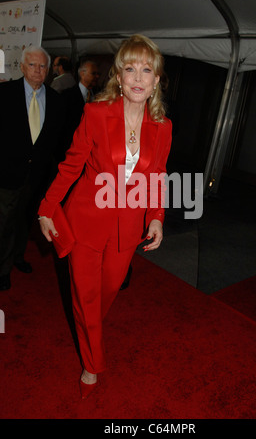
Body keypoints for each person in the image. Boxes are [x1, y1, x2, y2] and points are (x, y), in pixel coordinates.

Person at [38, 34, 172, 399]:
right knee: (86, 298)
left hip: (126, 230)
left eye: (147, 70)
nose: (139, 78)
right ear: (119, 75)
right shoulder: (96, 114)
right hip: (85, 221)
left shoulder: (163, 128)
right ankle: (92, 365)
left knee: (106, 294)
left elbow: (157, 175)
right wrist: (47, 207)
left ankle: (89, 333)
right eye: (131, 69)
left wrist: (156, 217)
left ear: (156, 79)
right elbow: (71, 165)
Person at [0, 46, 66, 291]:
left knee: (24, 221)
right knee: (4, 222)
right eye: (32, 65)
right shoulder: (5, 93)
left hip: (37, 176)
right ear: (22, 67)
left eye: (42, 66)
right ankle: (2, 268)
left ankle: (18, 257)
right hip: (6, 173)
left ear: (48, 70)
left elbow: (58, 141)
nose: (38, 71)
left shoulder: (57, 101)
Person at [60, 60, 100, 153]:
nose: (97, 76)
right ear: (82, 74)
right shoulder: (67, 96)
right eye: (93, 73)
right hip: (71, 149)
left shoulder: (101, 96)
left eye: (98, 74)